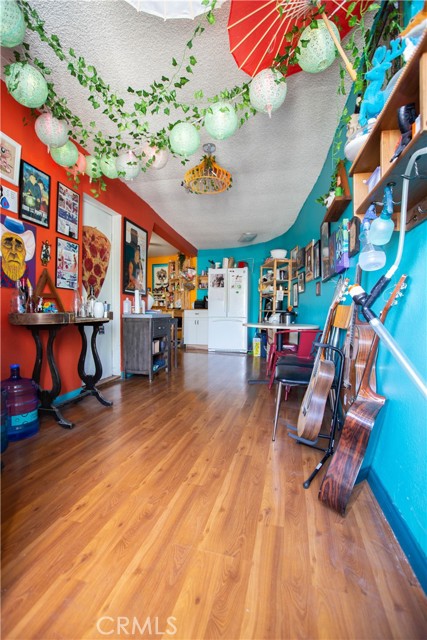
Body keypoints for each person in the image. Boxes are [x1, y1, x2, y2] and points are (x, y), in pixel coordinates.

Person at [0, 216, 36, 286]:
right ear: (1, 248)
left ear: (24, 252)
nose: (13, 251)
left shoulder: (28, 284)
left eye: (19, 246)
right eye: (8, 244)